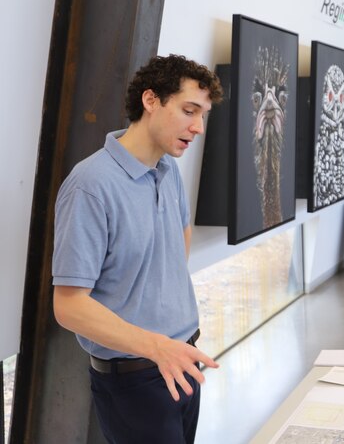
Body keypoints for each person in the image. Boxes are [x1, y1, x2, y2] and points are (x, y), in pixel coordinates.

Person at [52, 54, 223, 443]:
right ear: (151, 101)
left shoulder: (168, 170)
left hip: (181, 360)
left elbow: (179, 244)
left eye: (203, 115)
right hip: (135, 378)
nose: (197, 127)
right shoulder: (90, 185)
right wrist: (156, 345)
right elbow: (68, 305)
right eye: (189, 110)